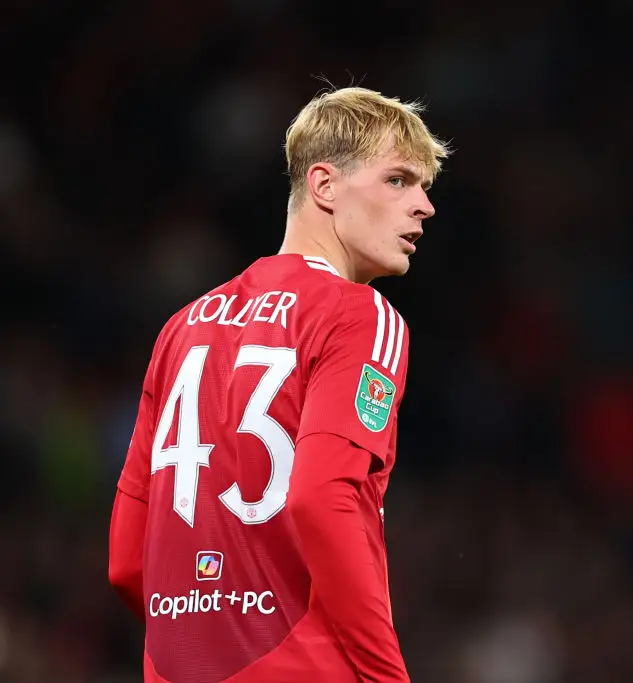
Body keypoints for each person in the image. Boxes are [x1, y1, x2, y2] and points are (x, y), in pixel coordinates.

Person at [108, 86, 450, 683]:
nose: (424, 205)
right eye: (398, 180)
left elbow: (125, 562)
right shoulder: (358, 315)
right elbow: (322, 498)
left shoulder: (181, 328)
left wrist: (202, 642)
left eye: (424, 186)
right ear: (324, 186)